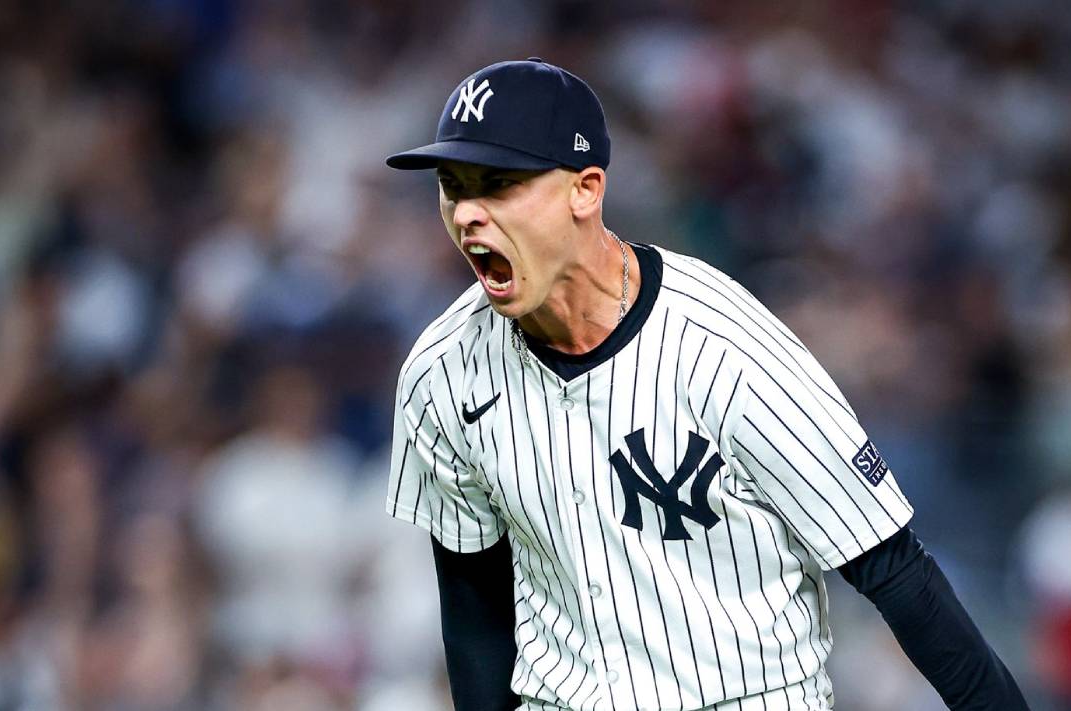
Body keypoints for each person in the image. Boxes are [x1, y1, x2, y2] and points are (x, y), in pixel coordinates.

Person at [384, 58, 1028, 711]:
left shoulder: (725, 346)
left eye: (498, 184)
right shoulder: (442, 369)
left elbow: (891, 567)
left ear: (585, 189)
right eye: (452, 185)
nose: (467, 213)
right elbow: (473, 599)